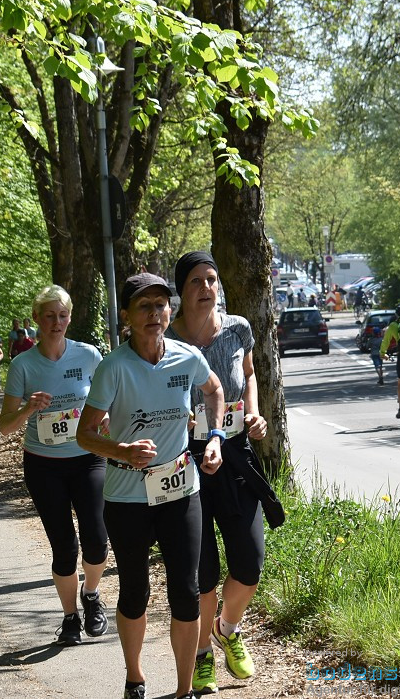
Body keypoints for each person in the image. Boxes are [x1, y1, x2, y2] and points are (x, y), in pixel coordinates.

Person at [76, 273, 226, 699]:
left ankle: (183, 690)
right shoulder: (113, 368)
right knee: (136, 591)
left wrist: (213, 437)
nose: (155, 315)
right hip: (127, 496)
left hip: (181, 489)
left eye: (161, 305)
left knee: (186, 588)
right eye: (144, 307)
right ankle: (135, 676)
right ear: (126, 316)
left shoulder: (187, 357)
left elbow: (214, 390)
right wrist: (121, 450)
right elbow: (84, 435)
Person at [166, 252, 284, 696]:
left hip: (234, 454)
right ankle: (200, 655)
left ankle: (227, 629)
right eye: (196, 280)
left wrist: (254, 414)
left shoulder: (238, 328)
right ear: (182, 289)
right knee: (203, 572)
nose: (206, 287)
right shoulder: (168, 340)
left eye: (212, 279)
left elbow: (249, 374)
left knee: (250, 564)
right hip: (186, 458)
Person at [0, 285, 109, 647]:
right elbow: (4, 427)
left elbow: (108, 400)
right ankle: (69, 617)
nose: (56, 322)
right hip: (44, 465)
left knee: (96, 538)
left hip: (88, 458)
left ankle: (91, 594)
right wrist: (29, 408)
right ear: (36, 319)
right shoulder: (23, 365)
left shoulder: (89, 355)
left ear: (70, 317)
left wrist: (105, 418)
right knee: (64, 546)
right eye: (49, 315)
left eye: (62, 315)